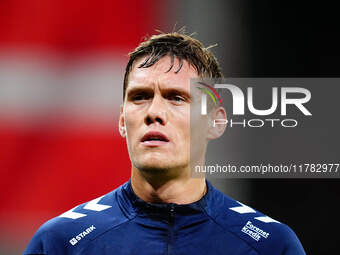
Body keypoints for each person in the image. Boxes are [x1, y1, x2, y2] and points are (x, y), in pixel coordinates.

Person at [23, 32, 306, 255]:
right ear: (122, 121)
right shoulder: (61, 243)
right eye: (140, 96)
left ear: (215, 122)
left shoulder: (270, 245)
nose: (154, 112)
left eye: (176, 97)